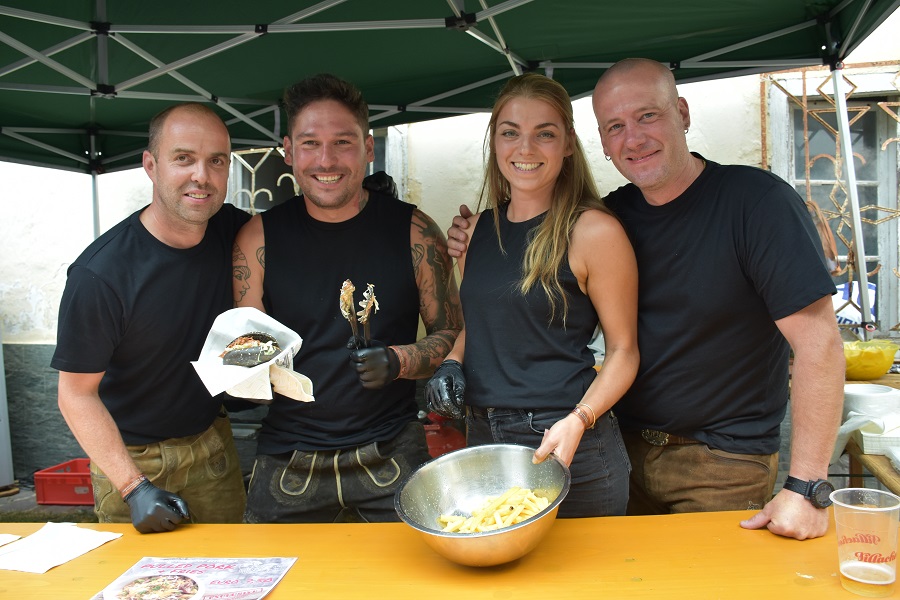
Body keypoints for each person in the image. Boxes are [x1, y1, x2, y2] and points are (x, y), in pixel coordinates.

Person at [447, 58, 844, 540]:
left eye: (647, 116)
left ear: (683, 113)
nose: (632, 138)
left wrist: (807, 486)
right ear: (601, 141)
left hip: (720, 461)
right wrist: (477, 243)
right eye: (615, 126)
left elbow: (819, 345)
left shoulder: (756, 203)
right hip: (622, 444)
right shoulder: (613, 214)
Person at [233, 73, 463, 523]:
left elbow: (453, 335)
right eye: (310, 144)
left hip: (391, 450)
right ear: (288, 151)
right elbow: (248, 353)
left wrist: (398, 360)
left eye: (343, 142)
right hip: (289, 458)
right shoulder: (257, 238)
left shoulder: (415, 231)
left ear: (368, 148)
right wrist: (241, 376)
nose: (326, 160)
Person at [425, 73, 638, 518]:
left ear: (568, 143)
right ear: (494, 142)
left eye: (544, 133)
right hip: (484, 436)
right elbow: (483, 326)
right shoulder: (476, 231)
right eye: (510, 133)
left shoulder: (594, 231)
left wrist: (579, 420)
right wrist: (452, 363)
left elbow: (624, 351)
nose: (525, 149)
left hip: (566, 438)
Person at [52, 103, 249, 533]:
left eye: (216, 161)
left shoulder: (233, 230)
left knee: (233, 566)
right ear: (150, 165)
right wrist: (133, 486)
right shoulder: (101, 275)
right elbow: (75, 395)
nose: (202, 175)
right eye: (183, 158)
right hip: (132, 459)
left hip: (212, 444)